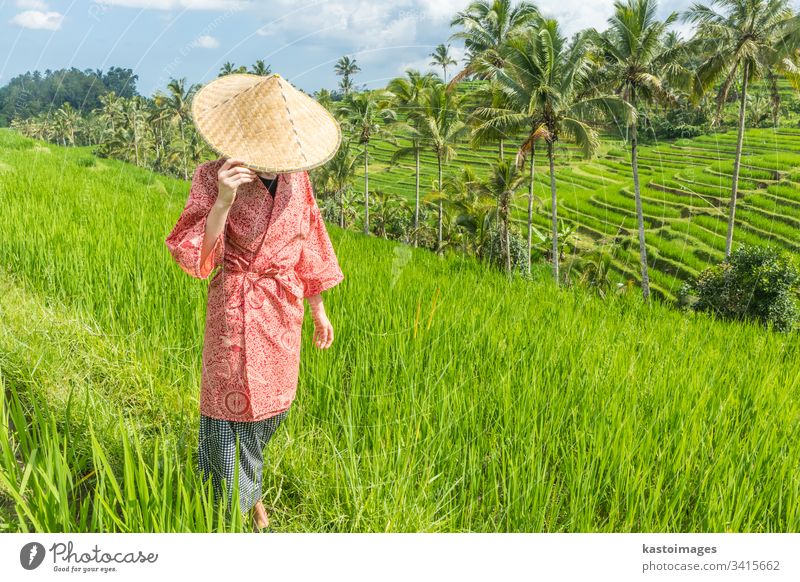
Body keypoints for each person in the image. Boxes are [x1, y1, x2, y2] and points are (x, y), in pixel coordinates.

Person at [164, 73, 344, 532]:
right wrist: (223, 199)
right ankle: (239, 509)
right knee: (227, 410)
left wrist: (319, 309)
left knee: (271, 408)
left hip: (283, 307)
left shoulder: (297, 181)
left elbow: (310, 243)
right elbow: (198, 255)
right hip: (235, 304)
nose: (270, 157)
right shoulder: (211, 176)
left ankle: (246, 488)